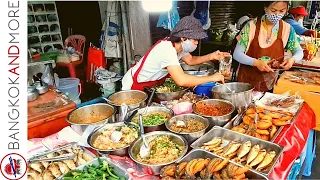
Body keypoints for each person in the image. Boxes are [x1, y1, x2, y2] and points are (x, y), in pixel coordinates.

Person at [122, 16, 230, 91]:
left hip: (148, 85)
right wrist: (212, 77)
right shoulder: (167, 49)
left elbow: (190, 60)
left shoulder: (179, 48)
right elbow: (181, 80)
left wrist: (212, 56)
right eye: (195, 39)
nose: (197, 43)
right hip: (133, 86)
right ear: (183, 38)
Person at [233, 1, 303, 92]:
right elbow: (237, 54)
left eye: (281, 11)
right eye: (273, 10)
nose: (277, 14)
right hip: (246, 84)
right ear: (265, 8)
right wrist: (256, 62)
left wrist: (292, 60)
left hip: (271, 83)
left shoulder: (287, 29)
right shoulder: (251, 26)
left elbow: (299, 51)